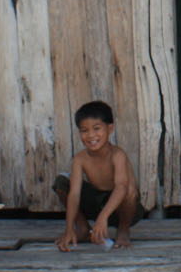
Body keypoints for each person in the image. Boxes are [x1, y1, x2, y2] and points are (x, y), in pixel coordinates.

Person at [54, 100, 142, 251]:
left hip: (123, 208)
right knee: (61, 182)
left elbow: (121, 187)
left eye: (96, 129)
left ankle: (123, 230)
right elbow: (74, 195)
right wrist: (69, 229)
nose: (91, 135)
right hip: (96, 203)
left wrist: (103, 217)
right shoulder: (79, 159)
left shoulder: (117, 155)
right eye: (84, 130)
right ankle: (81, 228)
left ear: (110, 129)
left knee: (129, 189)